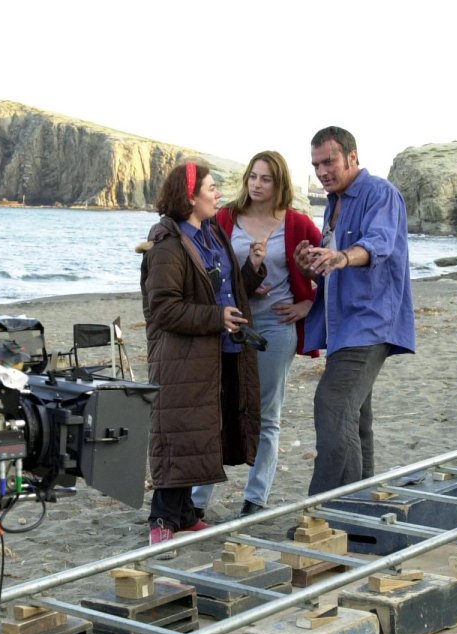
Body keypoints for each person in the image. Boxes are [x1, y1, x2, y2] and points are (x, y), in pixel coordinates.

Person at [138, 159, 264, 556]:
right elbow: (162, 309)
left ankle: (185, 516)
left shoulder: (210, 233)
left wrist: (253, 271)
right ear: (189, 197)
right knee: (178, 432)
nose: (217, 193)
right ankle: (161, 520)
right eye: (210, 188)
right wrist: (215, 317)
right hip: (181, 356)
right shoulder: (169, 246)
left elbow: (221, 290)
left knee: (200, 431)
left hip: (215, 350)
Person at [191, 151, 321, 518]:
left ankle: (255, 499)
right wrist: (243, 282)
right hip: (230, 324)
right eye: (253, 177)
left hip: (276, 328)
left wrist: (309, 305)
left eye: (266, 179)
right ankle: (198, 499)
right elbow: (204, 270)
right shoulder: (223, 218)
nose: (257, 185)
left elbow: (328, 270)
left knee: (266, 412)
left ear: (279, 184)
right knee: (218, 407)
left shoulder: (297, 223)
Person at [294, 127, 416, 495]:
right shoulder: (334, 204)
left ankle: (325, 513)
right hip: (343, 328)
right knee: (356, 419)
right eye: (316, 165)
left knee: (331, 406)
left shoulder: (380, 193)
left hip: (370, 324)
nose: (322, 171)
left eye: (329, 161)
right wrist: (307, 264)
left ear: (352, 156)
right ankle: (362, 508)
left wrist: (343, 256)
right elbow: (329, 273)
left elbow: (378, 245)